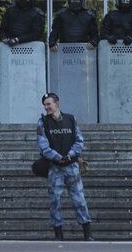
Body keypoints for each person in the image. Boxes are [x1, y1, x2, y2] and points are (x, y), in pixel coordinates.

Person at [37, 93, 94, 241]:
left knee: (79, 200)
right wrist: (57, 157)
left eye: (49, 104)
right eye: (45, 104)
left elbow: (79, 140)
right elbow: (43, 146)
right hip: (55, 167)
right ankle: (58, 234)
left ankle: (87, 233)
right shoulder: (43, 122)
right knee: (55, 201)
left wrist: (70, 155)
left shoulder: (70, 119)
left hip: (72, 166)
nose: (46, 107)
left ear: (57, 103)